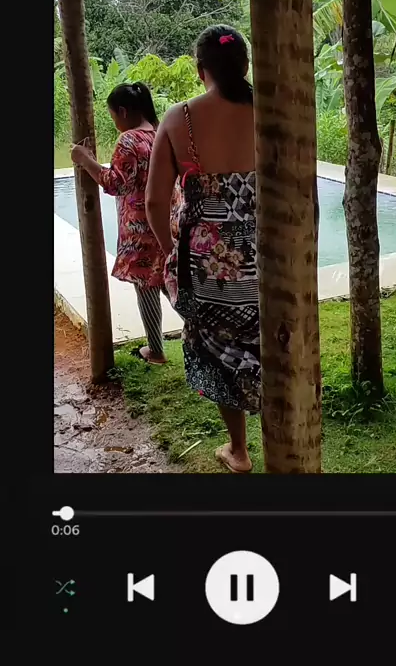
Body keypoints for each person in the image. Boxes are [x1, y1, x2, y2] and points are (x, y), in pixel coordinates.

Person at [146, 25, 259, 474]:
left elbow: (155, 202)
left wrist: (171, 252)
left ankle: (239, 450)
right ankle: (285, 430)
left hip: (208, 264)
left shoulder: (180, 119)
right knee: (274, 340)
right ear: (245, 66)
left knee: (219, 347)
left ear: (200, 71)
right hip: (269, 251)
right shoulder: (272, 110)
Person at [70, 82, 168, 365]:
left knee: (145, 286)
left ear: (123, 112)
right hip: (166, 221)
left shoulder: (129, 140)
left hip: (141, 227)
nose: (115, 123)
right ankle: (202, 336)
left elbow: (115, 183)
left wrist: (85, 160)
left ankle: (156, 350)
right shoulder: (158, 133)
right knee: (169, 283)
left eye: (113, 116)